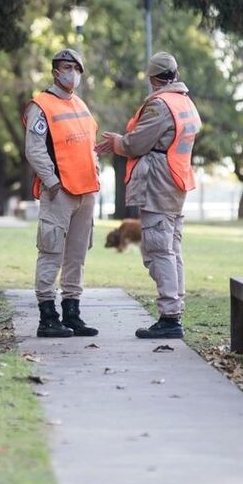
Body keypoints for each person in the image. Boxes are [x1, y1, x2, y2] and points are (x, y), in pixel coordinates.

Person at [96, 52, 201, 339]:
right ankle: (175, 309)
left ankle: (169, 318)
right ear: (175, 74)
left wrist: (118, 142)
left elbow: (137, 143)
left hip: (158, 184)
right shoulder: (186, 103)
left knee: (157, 249)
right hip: (177, 183)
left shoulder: (160, 104)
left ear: (153, 79)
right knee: (172, 249)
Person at [22, 48, 100, 338]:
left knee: (77, 256)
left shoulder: (80, 104)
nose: (73, 74)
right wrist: (52, 183)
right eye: (67, 67)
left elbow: (89, 145)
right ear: (56, 71)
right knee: (51, 251)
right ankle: (47, 316)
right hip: (59, 191)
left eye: (77, 68)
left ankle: (72, 312)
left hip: (86, 190)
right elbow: (35, 149)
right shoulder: (40, 106)